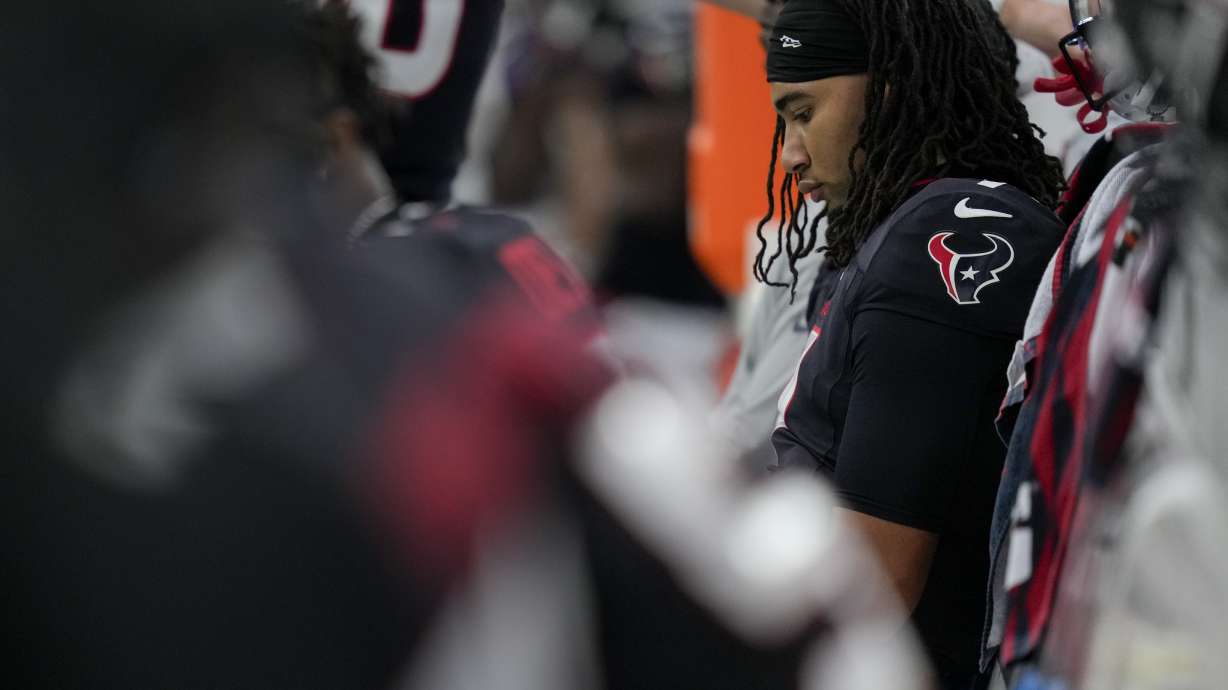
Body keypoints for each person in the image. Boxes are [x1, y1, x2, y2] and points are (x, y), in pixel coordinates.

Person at [758, 0, 1067, 686]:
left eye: (804, 113)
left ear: (892, 86)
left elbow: (877, 582)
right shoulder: (905, 224)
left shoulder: (940, 237)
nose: (791, 154)